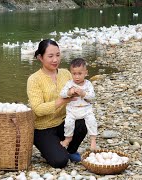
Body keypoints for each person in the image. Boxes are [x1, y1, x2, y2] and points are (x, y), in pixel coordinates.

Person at [27, 39, 87, 168]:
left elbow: (80, 88)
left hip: (63, 122)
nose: (55, 60)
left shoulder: (66, 73)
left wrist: (81, 92)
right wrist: (63, 100)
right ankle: (51, 149)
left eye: (58, 55)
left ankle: (70, 150)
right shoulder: (34, 79)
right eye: (50, 56)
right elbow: (38, 109)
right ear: (40, 57)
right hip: (42, 128)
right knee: (60, 161)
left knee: (83, 122)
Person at [59, 58, 98, 151]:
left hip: (86, 109)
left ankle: (93, 140)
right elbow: (62, 94)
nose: (77, 77)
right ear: (71, 73)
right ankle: (68, 138)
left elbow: (92, 96)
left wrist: (83, 93)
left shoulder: (88, 84)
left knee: (92, 121)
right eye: (74, 74)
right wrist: (69, 92)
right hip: (72, 110)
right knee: (68, 124)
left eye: (80, 74)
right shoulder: (69, 84)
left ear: (86, 73)